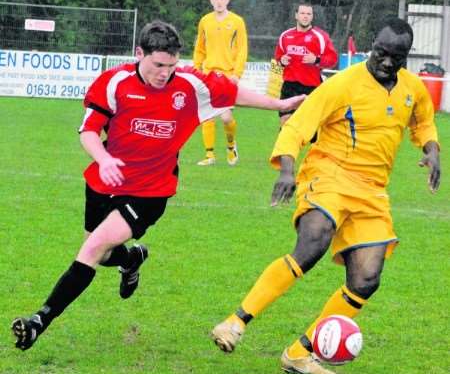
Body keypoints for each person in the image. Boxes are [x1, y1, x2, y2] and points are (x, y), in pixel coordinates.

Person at [11, 20, 304, 351]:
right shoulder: (115, 82)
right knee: (103, 253)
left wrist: (279, 105)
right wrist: (104, 160)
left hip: (151, 191)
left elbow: (233, 92)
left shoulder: (191, 86)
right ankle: (131, 259)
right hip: (105, 180)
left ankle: (38, 321)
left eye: (171, 65)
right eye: (158, 65)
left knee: (91, 249)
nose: (165, 73)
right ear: (139, 54)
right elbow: (89, 130)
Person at [211, 17, 440, 374]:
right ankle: (234, 323)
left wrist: (432, 150)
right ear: (371, 46)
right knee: (312, 245)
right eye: (380, 53)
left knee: (366, 279)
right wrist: (287, 169)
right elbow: (300, 124)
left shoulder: (412, 88)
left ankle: (299, 353)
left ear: (405, 58)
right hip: (330, 174)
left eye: (394, 57)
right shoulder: (343, 84)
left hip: (373, 191)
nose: (384, 62)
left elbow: (423, 121)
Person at [193, 0, 248, 166]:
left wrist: (237, 74)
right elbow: (199, 47)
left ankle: (231, 145)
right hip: (208, 74)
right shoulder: (205, 21)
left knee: (225, 118)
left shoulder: (237, 21)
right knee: (207, 115)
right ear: (211, 1)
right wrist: (197, 68)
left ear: (227, 1)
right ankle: (210, 155)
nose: (218, 2)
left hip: (228, 75)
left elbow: (242, 49)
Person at [275, 3, 337, 127]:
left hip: (311, 87)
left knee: (311, 128)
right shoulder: (285, 36)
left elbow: (333, 60)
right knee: (285, 122)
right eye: (302, 13)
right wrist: (282, 61)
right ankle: (286, 147)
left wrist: (316, 60)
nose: (305, 16)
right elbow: (278, 59)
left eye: (309, 14)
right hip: (289, 86)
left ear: (312, 17)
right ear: (296, 15)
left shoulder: (320, 37)